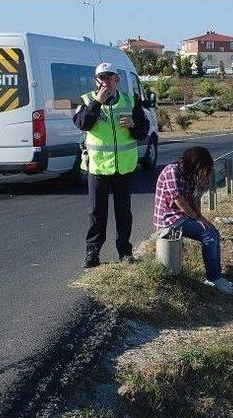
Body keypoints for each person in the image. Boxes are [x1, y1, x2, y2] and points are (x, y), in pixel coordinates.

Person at [74, 62, 149, 268]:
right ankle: (93, 253)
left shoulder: (129, 100)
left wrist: (134, 125)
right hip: (98, 167)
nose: (106, 81)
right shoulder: (88, 100)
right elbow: (82, 124)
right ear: (96, 80)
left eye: (110, 77)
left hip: (123, 167)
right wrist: (97, 102)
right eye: (102, 78)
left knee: (124, 212)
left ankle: (125, 251)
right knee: (97, 213)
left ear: (117, 80)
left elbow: (144, 130)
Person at [153, 147, 233, 294]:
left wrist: (202, 219)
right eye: (204, 169)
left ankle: (214, 277)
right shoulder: (172, 171)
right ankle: (214, 278)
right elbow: (180, 202)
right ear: (196, 164)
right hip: (169, 218)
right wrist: (197, 219)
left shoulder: (190, 175)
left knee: (211, 231)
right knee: (209, 235)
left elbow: (192, 199)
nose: (205, 173)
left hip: (181, 216)